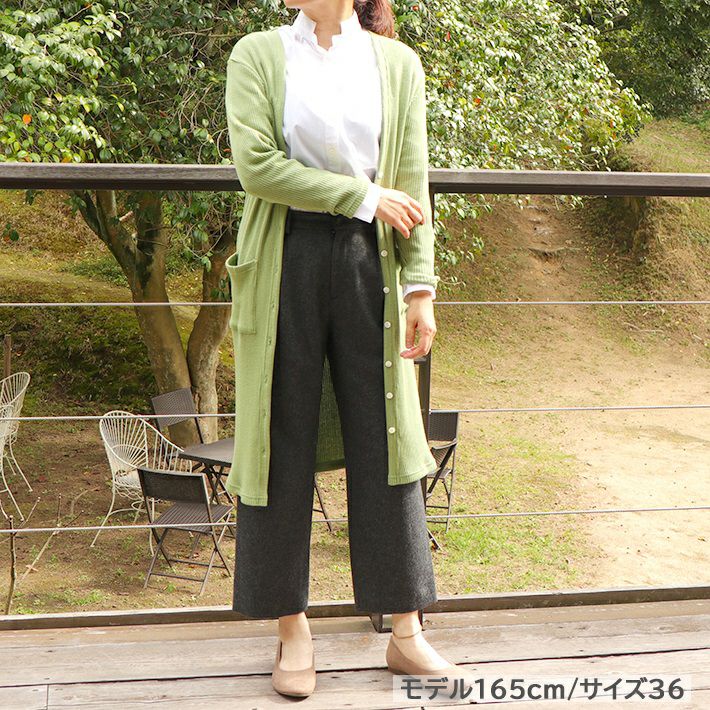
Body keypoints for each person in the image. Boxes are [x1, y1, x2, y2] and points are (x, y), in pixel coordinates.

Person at [224, 0, 471, 698]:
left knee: (386, 436)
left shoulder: (397, 63)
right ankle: (292, 633)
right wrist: (363, 197)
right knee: (280, 437)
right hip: (285, 260)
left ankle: (406, 632)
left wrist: (421, 287)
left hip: (375, 266)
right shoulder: (257, 53)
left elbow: (413, 183)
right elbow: (257, 169)